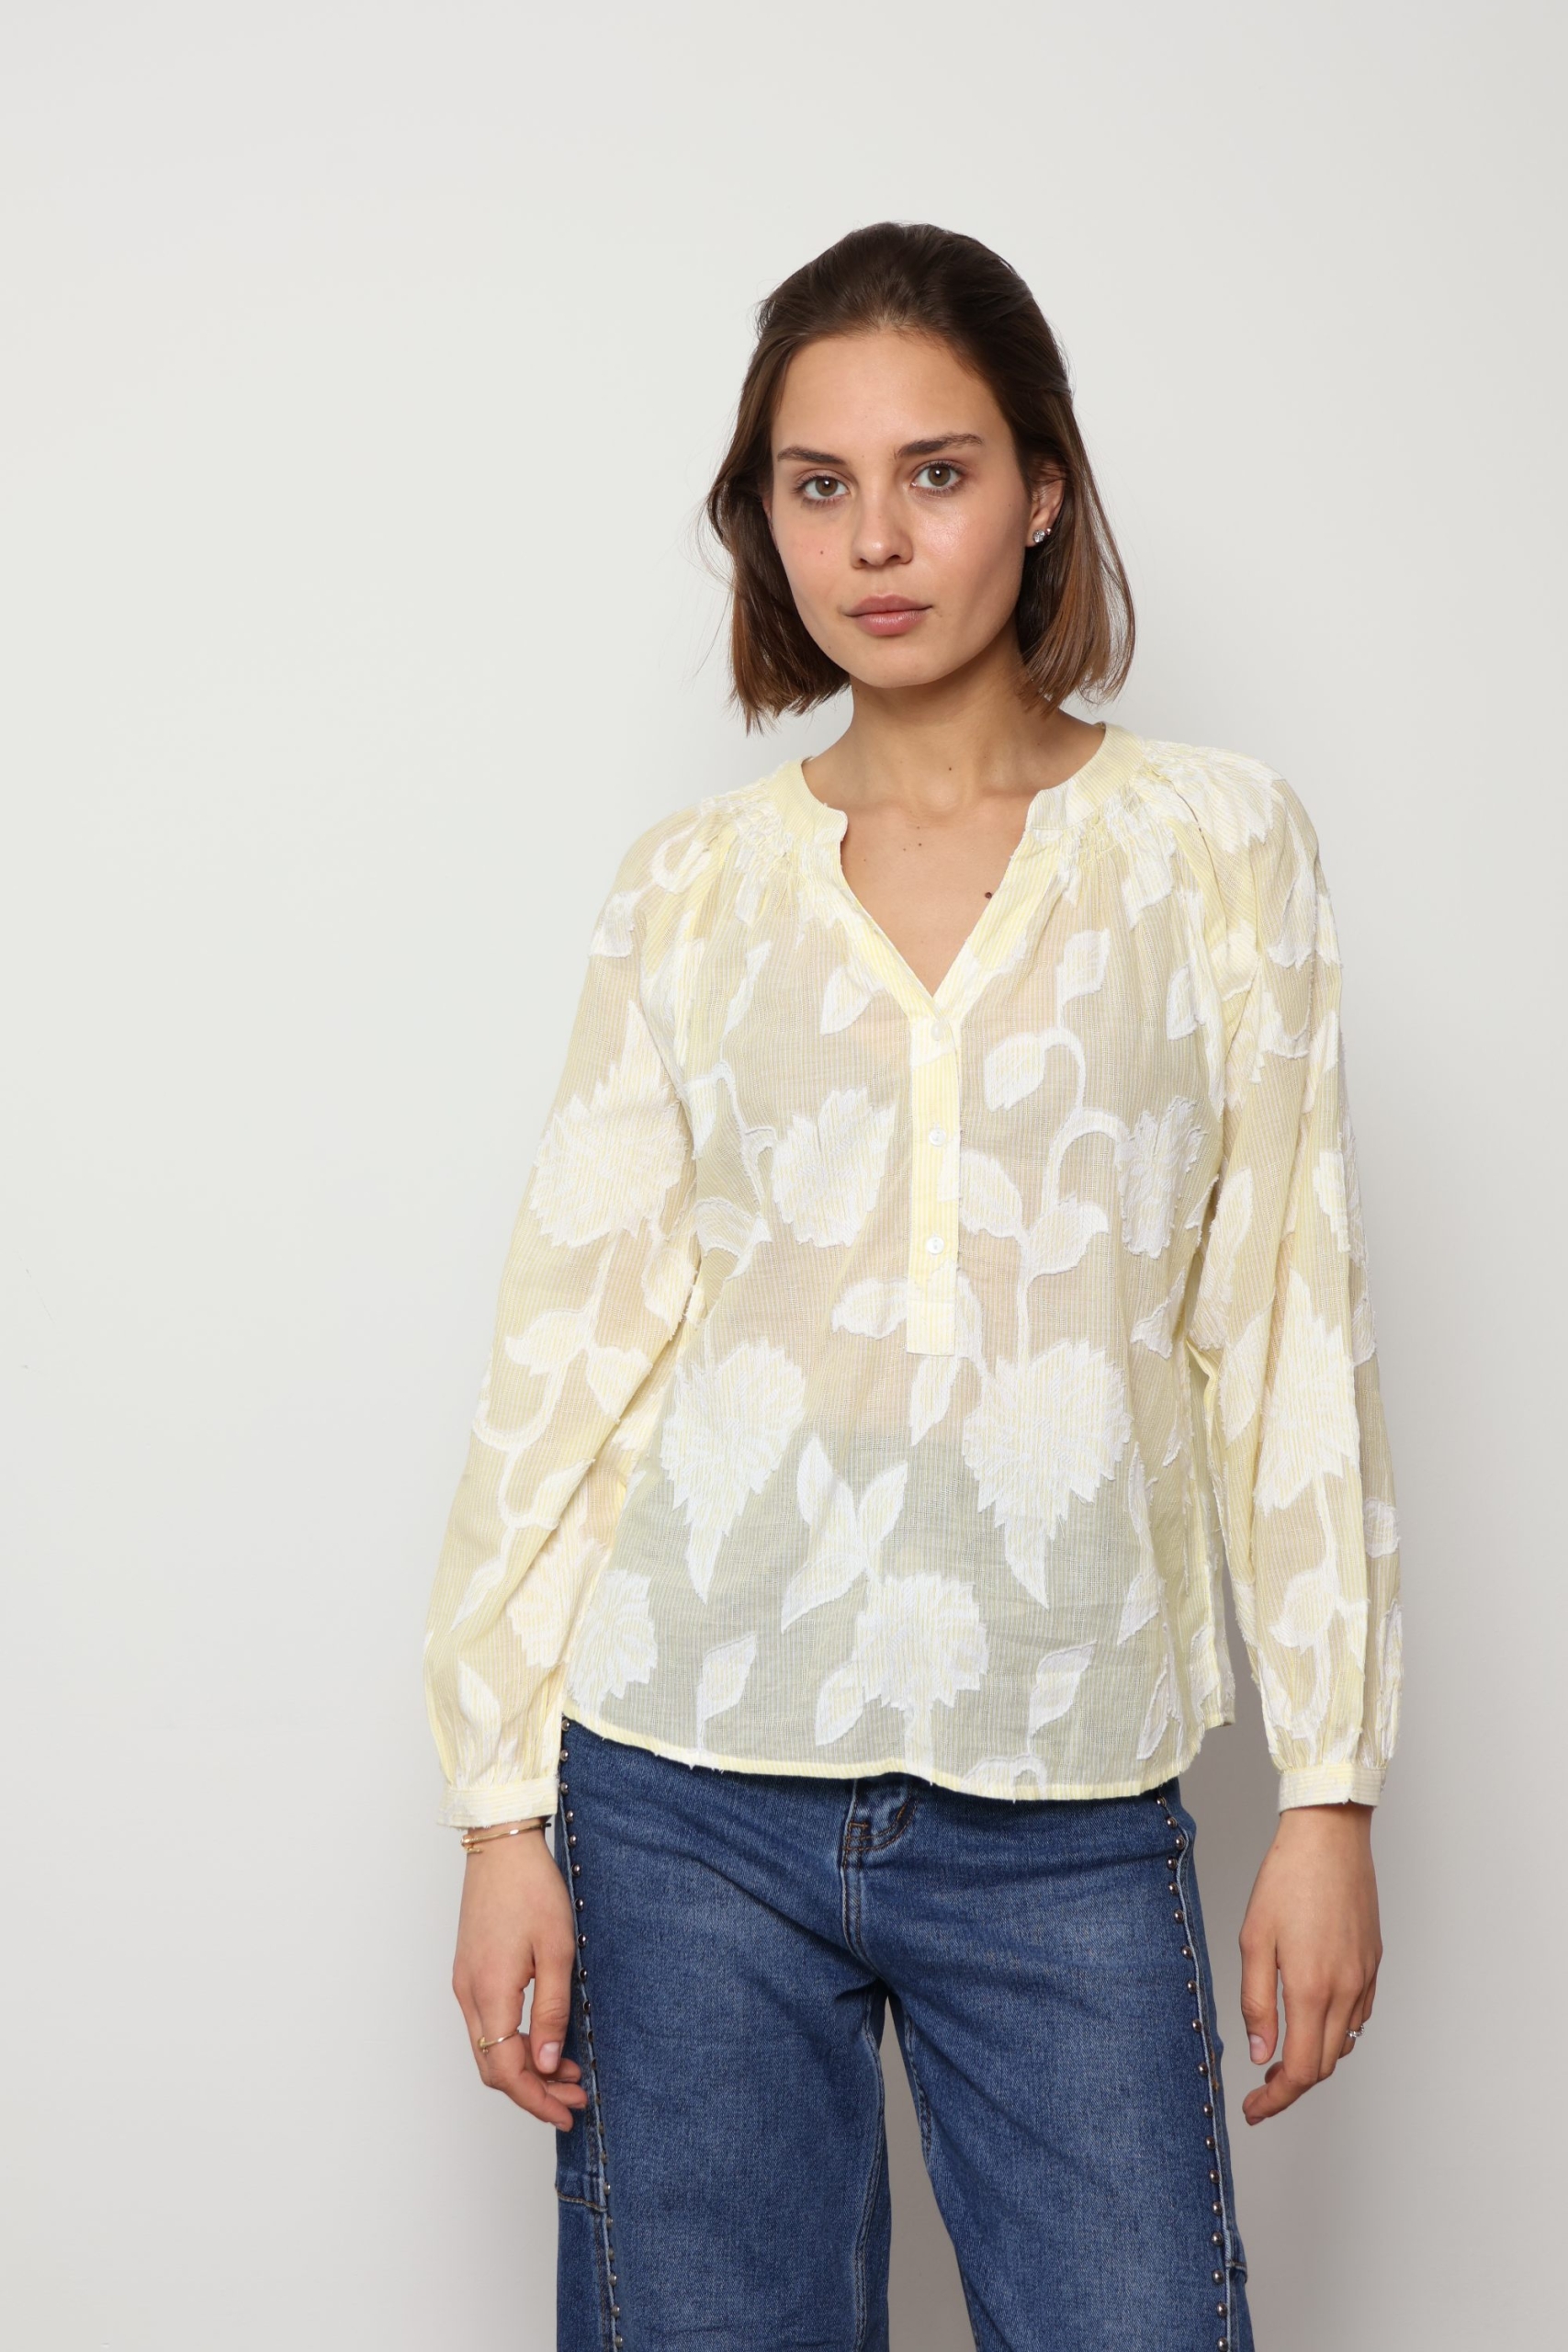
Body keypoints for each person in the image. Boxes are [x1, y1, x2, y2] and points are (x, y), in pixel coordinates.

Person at [423, 220, 1402, 2352]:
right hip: (683, 1778)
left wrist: (1325, 1783)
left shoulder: (1211, 849)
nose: (872, 539)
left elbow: (1281, 1323)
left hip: (1063, 1787)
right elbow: (573, 1343)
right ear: (761, 518)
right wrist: (501, 1808)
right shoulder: (690, 889)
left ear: (1040, 487)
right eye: (817, 483)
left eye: (933, 473)